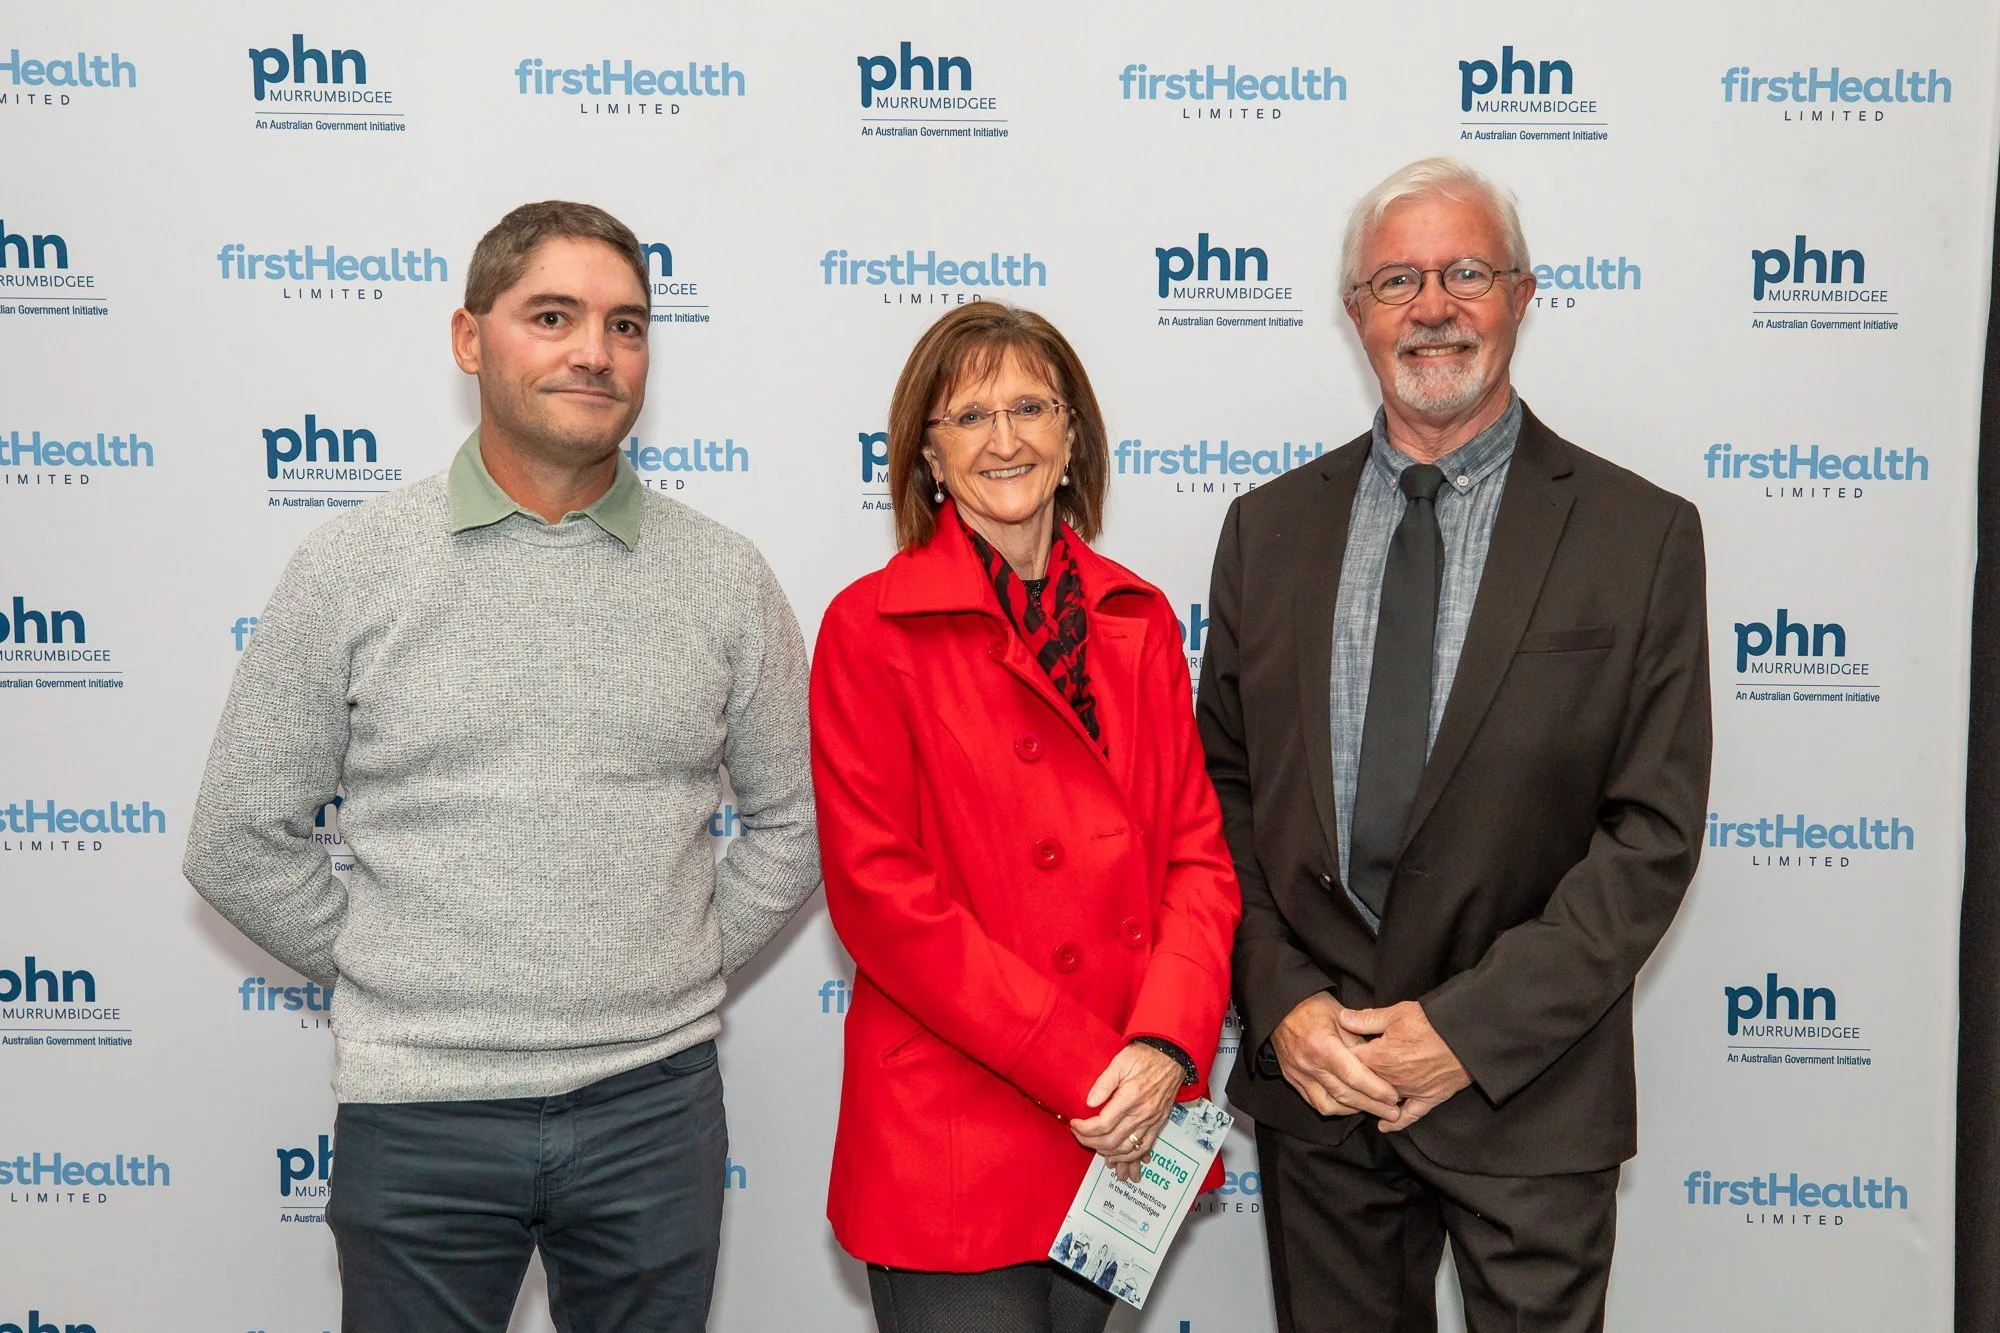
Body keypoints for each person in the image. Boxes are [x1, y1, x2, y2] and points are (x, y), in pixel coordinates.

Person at [184, 200, 820, 1332]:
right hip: (419, 1111)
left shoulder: (725, 577)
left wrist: (669, 955)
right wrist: (400, 969)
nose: (596, 352)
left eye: (626, 325)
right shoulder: (350, 566)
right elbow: (237, 836)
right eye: (553, 316)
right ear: (469, 339)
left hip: (652, 1106)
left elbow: (798, 817)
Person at [1197, 158, 1711, 1332]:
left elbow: (1649, 835)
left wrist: (1463, 1033)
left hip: (1527, 1092)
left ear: (1521, 294)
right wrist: (1281, 1002)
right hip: (1321, 1089)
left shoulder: (1638, 536)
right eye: (1396, 280)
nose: (1431, 307)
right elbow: (1219, 795)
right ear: (1355, 313)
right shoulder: (1265, 532)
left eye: (1465, 273)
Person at [811, 302, 1242, 1333]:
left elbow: (1197, 859)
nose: (1003, 438)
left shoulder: (1138, 617)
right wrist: (1091, 1070)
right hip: (959, 1131)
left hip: (1120, 1126)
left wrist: (1167, 1047)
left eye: (1030, 408)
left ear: (1072, 434)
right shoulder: (868, 628)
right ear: (928, 455)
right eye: (969, 416)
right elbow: (882, 900)